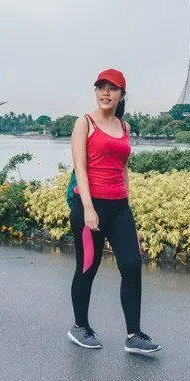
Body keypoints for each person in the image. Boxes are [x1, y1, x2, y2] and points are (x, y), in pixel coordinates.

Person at [66, 68, 161, 354]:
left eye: (113, 88)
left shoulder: (124, 127)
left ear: (121, 94)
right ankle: (80, 327)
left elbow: (123, 169)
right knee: (88, 267)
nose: (106, 92)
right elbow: (80, 167)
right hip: (90, 207)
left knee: (132, 265)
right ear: (96, 92)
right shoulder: (84, 123)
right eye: (101, 87)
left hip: (119, 208)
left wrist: (127, 204)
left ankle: (134, 335)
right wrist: (88, 208)